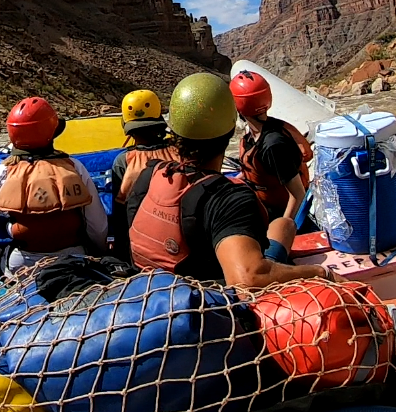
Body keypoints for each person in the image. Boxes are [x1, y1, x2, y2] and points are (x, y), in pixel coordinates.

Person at [126, 73, 336, 287]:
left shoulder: (148, 175)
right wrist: (321, 273)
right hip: (205, 302)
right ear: (229, 130)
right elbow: (248, 279)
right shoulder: (229, 199)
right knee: (283, 225)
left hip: (147, 292)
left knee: (283, 223)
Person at [0, 97, 108, 275]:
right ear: (51, 133)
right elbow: (98, 226)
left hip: (21, 265)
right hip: (73, 260)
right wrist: (99, 254)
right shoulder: (75, 168)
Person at [230, 69, 313, 229]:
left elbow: (298, 194)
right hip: (266, 207)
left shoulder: (274, 145)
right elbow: (254, 171)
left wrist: (282, 233)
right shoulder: (254, 134)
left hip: (281, 216)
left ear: (238, 106)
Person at [109, 89, 181, 262]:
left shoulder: (123, 161)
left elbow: (119, 216)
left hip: (138, 249)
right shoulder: (178, 152)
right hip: (178, 243)